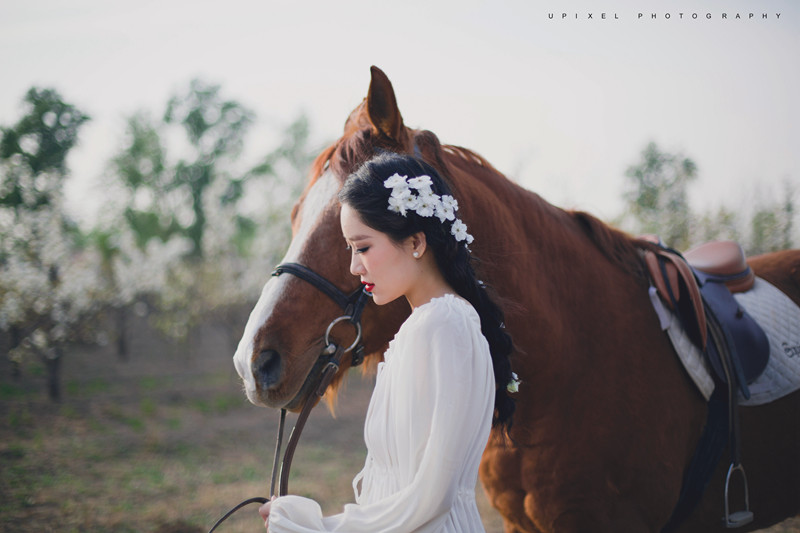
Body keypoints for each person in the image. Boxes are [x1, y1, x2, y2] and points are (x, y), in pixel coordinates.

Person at [259, 152, 517, 532]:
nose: (354, 267)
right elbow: (401, 491)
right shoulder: (430, 324)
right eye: (350, 249)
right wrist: (308, 518)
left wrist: (321, 529)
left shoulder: (444, 323)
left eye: (362, 247)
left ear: (415, 241)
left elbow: (433, 498)